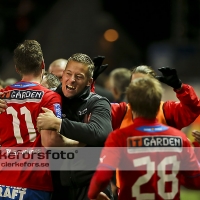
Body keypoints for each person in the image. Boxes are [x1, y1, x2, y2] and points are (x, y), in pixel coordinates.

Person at [88, 77, 200, 200]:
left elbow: (102, 177)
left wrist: (93, 195)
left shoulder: (119, 138)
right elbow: (196, 181)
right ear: (158, 102)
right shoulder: (180, 138)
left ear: (130, 102)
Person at [36, 53, 113, 200]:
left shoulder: (98, 102)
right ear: (63, 74)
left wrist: (59, 124)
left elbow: (101, 133)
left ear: (89, 82)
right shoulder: (49, 99)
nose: (71, 80)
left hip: (89, 188)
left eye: (78, 77)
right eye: (68, 74)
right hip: (56, 189)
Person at [111, 65, 200, 190]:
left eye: (144, 84)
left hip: (163, 190)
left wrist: (180, 88)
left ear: (154, 88)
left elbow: (192, 109)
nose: (139, 89)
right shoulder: (120, 111)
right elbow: (94, 111)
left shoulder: (167, 110)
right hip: (128, 192)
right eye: (134, 84)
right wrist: (88, 86)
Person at [0, 40, 63, 200]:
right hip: (34, 183)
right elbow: (50, 142)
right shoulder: (50, 97)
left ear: (17, 68)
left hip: (3, 181)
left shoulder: (2, 96)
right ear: (43, 64)